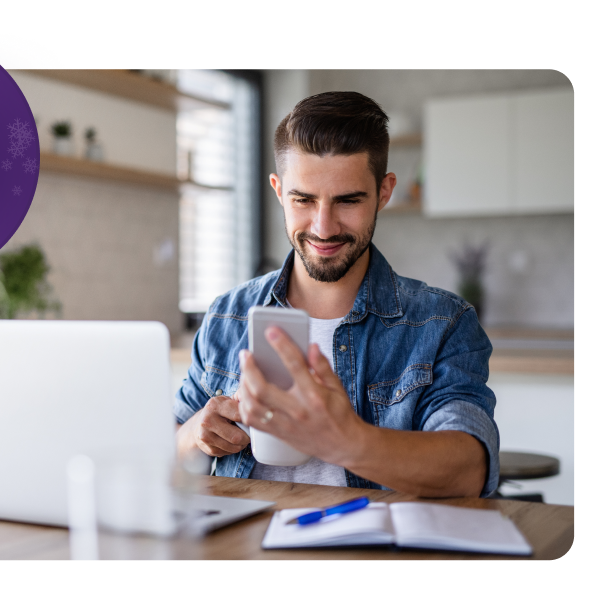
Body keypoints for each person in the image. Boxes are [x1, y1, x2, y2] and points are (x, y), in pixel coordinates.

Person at [174, 91, 499, 498]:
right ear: (279, 191)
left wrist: (345, 441)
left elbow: (468, 469)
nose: (324, 227)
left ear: (384, 192)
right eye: (303, 200)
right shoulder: (228, 314)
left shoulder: (442, 323)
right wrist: (194, 435)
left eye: (348, 200)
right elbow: (167, 449)